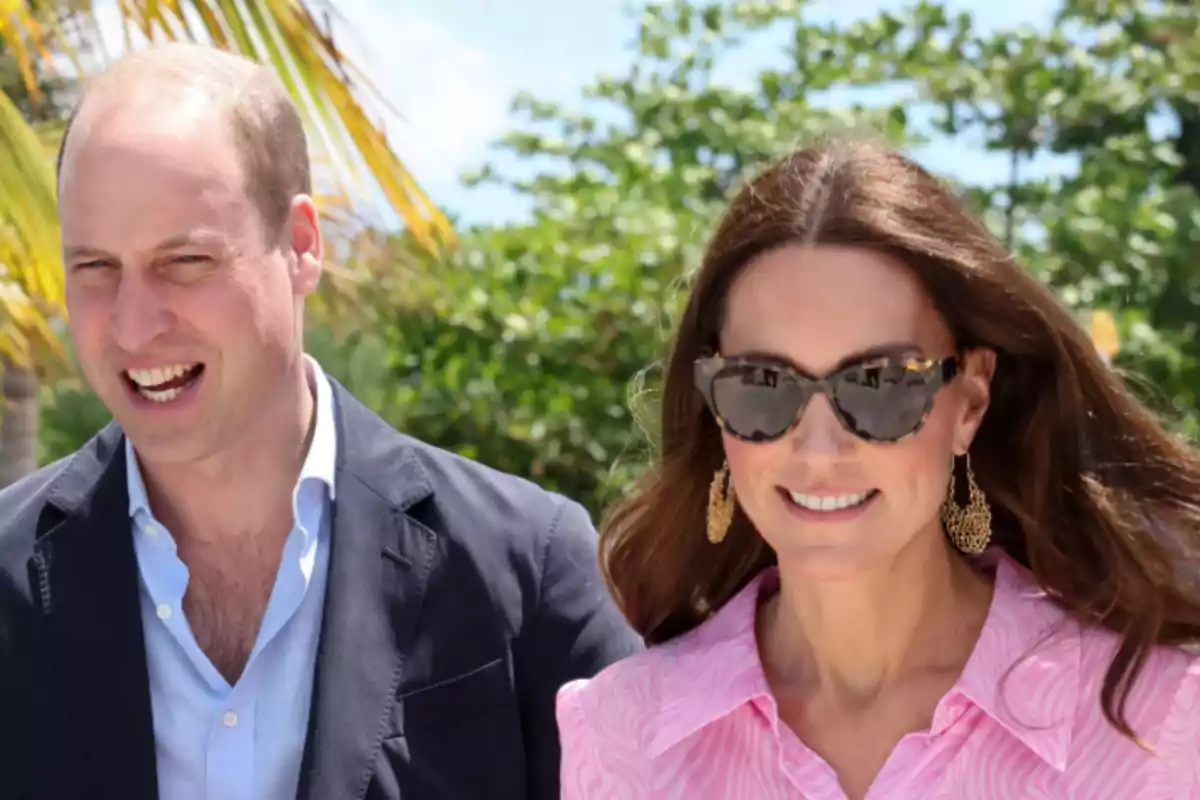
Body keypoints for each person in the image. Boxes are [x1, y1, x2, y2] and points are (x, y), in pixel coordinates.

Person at [0, 43, 641, 800]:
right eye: (96, 269)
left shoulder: (528, 568)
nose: (134, 327)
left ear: (302, 246)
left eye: (186, 262)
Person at [556, 139, 1200, 798]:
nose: (819, 448)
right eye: (763, 383)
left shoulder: (1162, 722)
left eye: (880, 383)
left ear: (970, 399)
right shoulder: (618, 732)